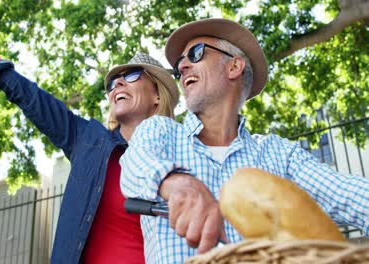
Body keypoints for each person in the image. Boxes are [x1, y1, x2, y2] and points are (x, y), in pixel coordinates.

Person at [0, 6, 180, 263]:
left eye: (132, 75)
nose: (118, 84)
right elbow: (27, 94)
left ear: (158, 95)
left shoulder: (184, 153)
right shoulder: (88, 140)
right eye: (112, 83)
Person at [120, 18, 369, 263]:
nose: (182, 66)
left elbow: (351, 195)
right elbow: (134, 164)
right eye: (179, 64)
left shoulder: (279, 153)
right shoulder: (160, 131)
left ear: (234, 67)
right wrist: (176, 184)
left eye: (195, 54)